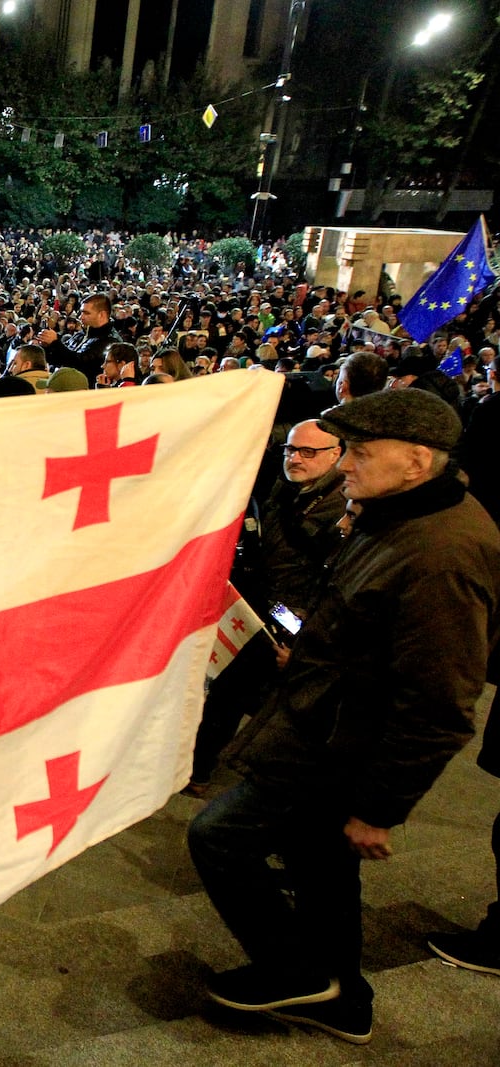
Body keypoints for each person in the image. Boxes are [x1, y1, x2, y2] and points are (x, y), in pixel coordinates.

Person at [188, 389, 500, 1046]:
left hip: (334, 741)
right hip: (323, 715)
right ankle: (341, 994)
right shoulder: (395, 514)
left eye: (360, 451)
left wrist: (381, 806)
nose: (346, 464)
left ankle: (296, 969)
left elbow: (440, 701)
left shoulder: (440, 553)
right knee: (317, 861)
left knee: (218, 836)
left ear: (418, 459)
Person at [186, 420, 347, 793]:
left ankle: (217, 771)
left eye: (309, 452)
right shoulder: (287, 486)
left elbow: (333, 582)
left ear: (335, 454)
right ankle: (203, 765)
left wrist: (303, 639)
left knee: (245, 692)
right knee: (229, 687)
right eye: (291, 449)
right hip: (255, 601)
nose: (296, 458)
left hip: (287, 617)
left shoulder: (339, 508)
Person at [38, 293, 120, 385]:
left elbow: (80, 365)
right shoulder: (82, 334)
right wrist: (47, 346)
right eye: (81, 312)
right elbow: (61, 359)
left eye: (86, 313)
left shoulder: (111, 341)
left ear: (102, 315)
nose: (81, 317)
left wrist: (55, 342)